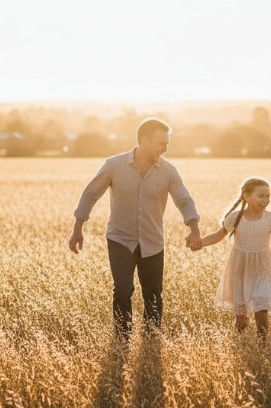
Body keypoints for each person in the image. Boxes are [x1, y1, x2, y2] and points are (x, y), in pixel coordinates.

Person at [68, 118, 202, 334]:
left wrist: (194, 230)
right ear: (144, 141)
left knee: (153, 294)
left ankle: (152, 339)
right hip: (120, 239)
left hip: (153, 242)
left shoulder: (168, 171)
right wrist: (77, 229)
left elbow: (184, 201)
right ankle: (122, 340)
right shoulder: (114, 165)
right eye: (161, 143)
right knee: (122, 289)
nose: (165, 148)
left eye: (167, 143)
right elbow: (91, 194)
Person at [197, 177, 271, 338]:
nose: (265, 200)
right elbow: (217, 236)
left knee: (262, 307)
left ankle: (262, 344)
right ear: (246, 196)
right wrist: (200, 242)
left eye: (268, 196)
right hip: (240, 268)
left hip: (263, 269)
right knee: (241, 319)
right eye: (261, 196)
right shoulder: (235, 217)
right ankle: (244, 345)